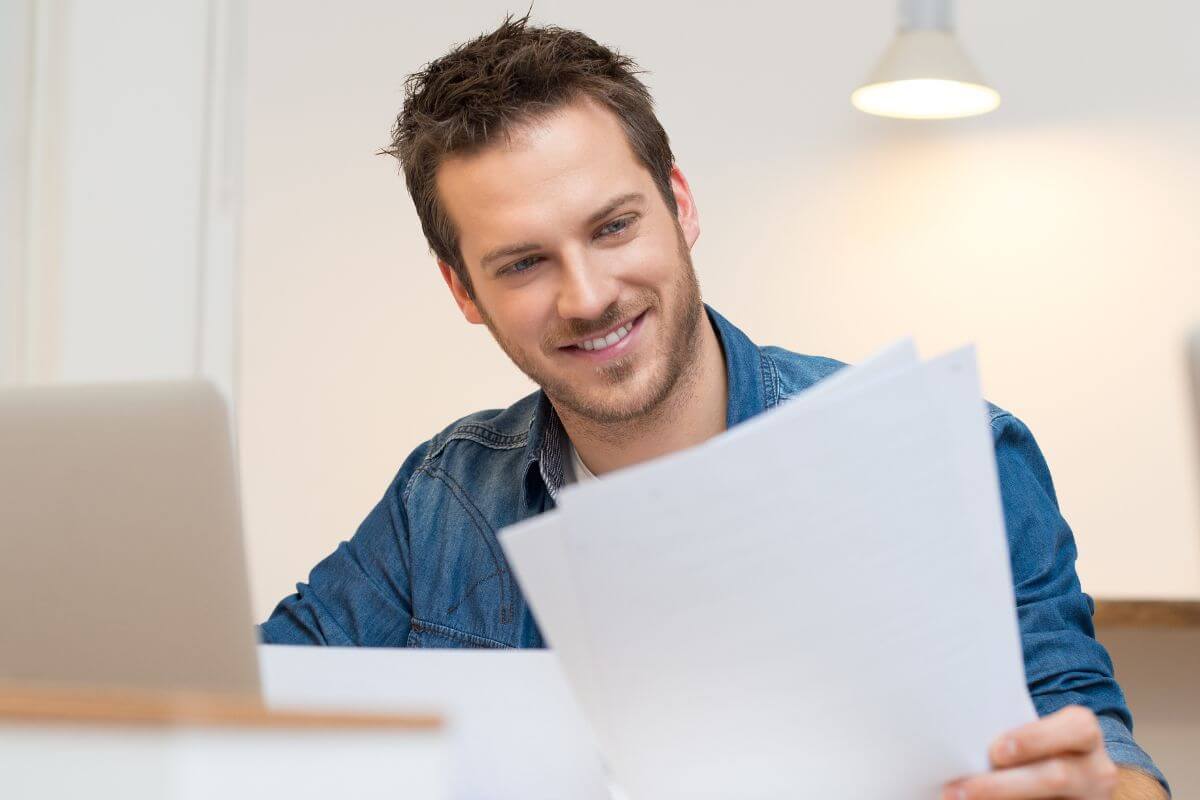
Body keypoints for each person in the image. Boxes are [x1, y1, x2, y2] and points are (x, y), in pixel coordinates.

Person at [259, 14, 1168, 799]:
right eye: (524, 262)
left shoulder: (955, 452)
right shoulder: (442, 501)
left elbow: (1108, 757)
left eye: (614, 227)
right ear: (463, 290)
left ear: (681, 205)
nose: (587, 296)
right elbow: (241, 708)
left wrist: (1094, 787)